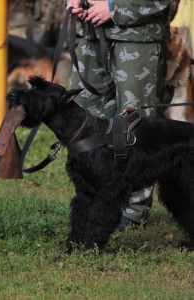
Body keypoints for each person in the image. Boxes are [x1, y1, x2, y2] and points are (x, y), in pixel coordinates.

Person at [65, 0, 174, 230]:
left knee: (135, 128)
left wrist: (113, 8)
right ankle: (92, 205)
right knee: (82, 123)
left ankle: (133, 213)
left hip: (137, 36)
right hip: (90, 35)